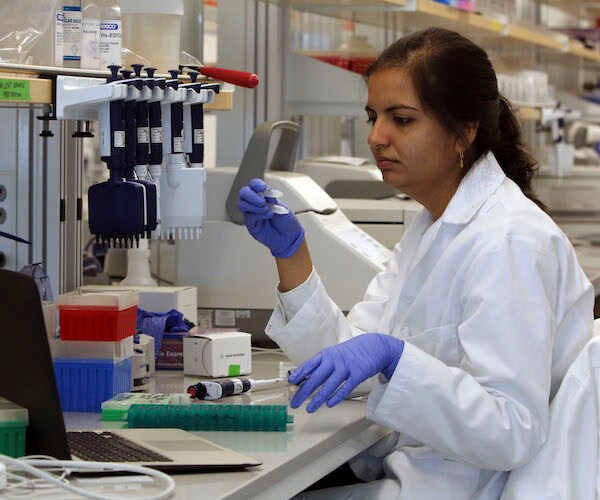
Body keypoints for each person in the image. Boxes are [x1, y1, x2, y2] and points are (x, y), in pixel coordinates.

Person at [237, 27, 594, 499]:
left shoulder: (508, 241)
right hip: (416, 473)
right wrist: (293, 258)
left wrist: (397, 360)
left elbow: (510, 430)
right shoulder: (435, 225)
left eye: (402, 120)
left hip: (466, 487)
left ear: (463, 131)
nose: (376, 137)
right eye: (373, 116)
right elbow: (344, 360)